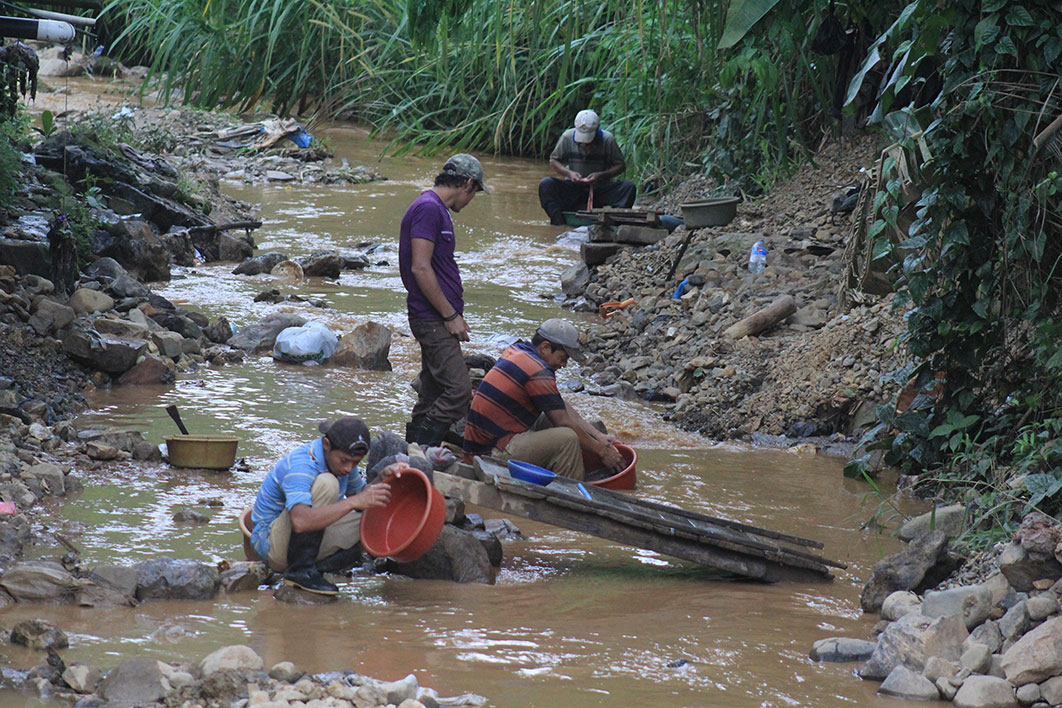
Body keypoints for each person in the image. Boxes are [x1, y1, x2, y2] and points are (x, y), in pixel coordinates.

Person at [399, 154, 489, 447]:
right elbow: (420, 267)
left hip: (433, 315)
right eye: (474, 193)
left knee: (434, 392)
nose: (471, 200)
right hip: (432, 317)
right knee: (458, 391)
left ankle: (411, 454)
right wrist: (450, 316)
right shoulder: (429, 209)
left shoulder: (436, 209)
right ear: (468, 184)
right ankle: (421, 450)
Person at [463, 318, 624, 480]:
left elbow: (559, 405)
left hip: (495, 438)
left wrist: (598, 436)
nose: (564, 365)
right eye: (563, 358)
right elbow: (563, 422)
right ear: (546, 347)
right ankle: (570, 491)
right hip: (489, 452)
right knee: (567, 439)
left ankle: (574, 471)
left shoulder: (519, 349)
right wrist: (601, 450)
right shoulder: (538, 370)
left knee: (588, 430)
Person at [250, 417, 394, 595]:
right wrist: (353, 502)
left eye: (355, 463)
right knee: (328, 483)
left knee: (372, 513)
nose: (349, 468)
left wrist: (383, 479)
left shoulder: (343, 465)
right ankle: (299, 572)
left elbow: (361, 497)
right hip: (273, 545)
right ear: (326, 445)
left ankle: (315, 569)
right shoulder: (302, 465)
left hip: (302, 540)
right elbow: (300, 521)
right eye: (344, 461)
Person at [538, 109, 637, 226]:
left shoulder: (607, 140)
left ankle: (613, 223)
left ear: (597, 128)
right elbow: (554, 160)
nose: (585, 144)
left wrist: (600, 175)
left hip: (600, 189)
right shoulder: (567, 137)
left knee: (628, 187)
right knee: (546, 184)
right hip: (573, 188)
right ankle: (559, 223)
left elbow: (620, 165)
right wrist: (569, 173)